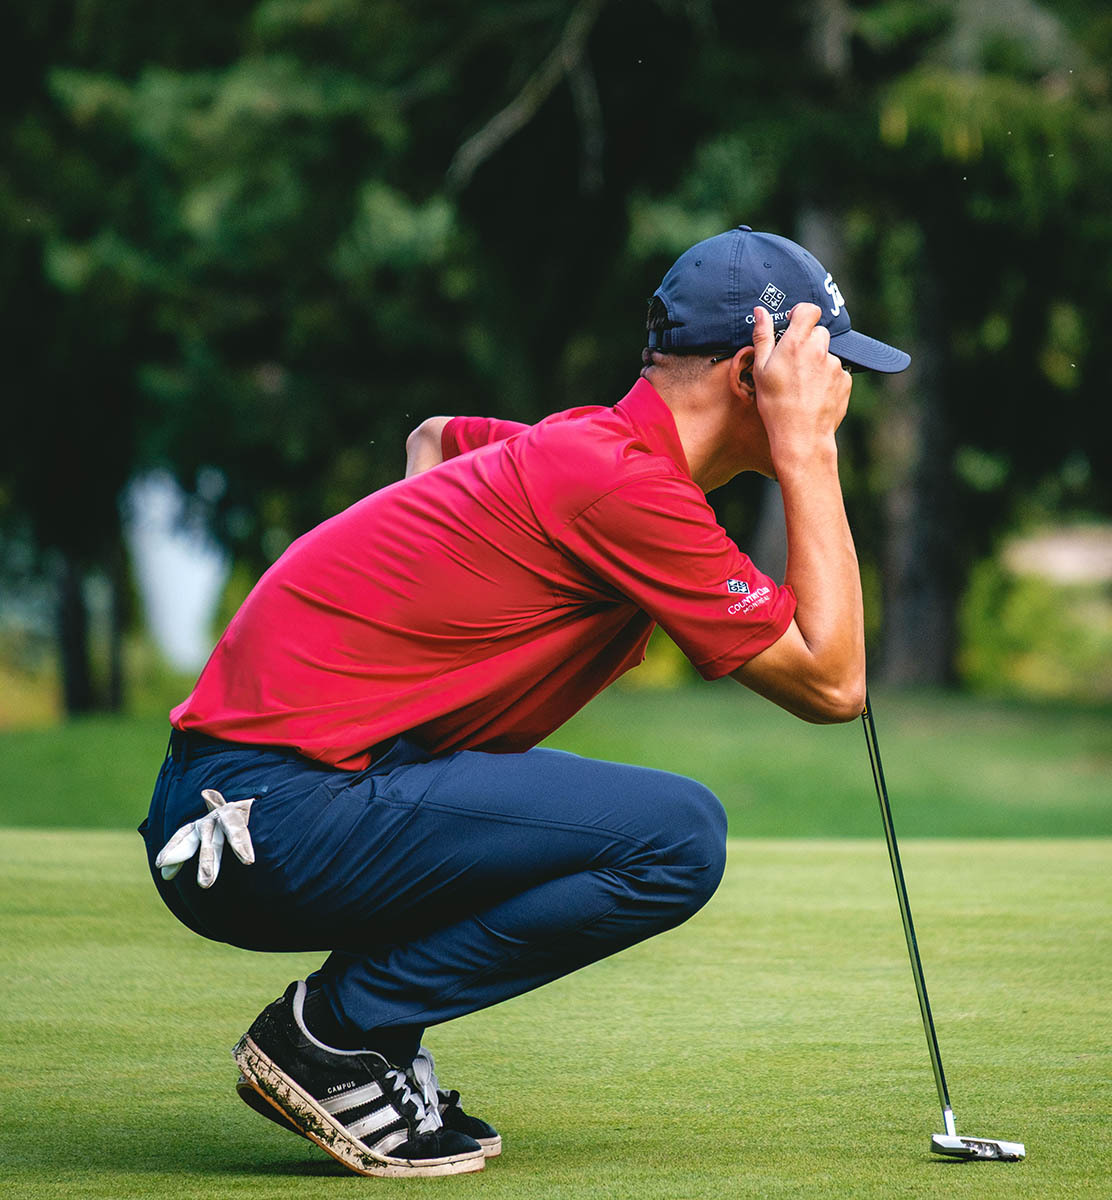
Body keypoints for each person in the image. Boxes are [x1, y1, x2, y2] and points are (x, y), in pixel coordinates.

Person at [139, 225, 910, 1178]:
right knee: (676, 840)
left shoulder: (586, 449)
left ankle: (368, 1039)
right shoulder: (619, 480)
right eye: (823, 363)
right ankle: (336, 1034)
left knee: (573, 811)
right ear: (753, 373)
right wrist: (809, 453)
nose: (837, 389)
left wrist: (418, 638)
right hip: (267, 822)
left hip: (244, 804)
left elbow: (432, 438)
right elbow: (834, 681)